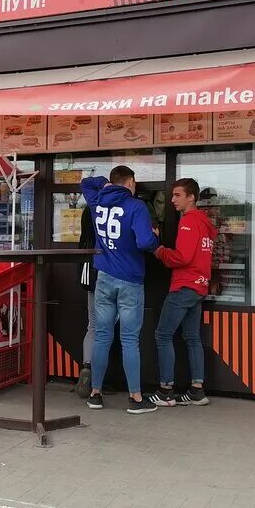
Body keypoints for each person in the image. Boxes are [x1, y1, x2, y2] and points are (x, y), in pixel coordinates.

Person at [81, 166, 159, 414]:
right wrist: (156, 236)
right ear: (131, 182)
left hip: (104, 277)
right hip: (130, 281)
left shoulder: (97, 202)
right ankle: (135, 398)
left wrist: (105, 184)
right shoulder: (136, 207)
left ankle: (95, 394)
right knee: (129, 340)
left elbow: (86, 182)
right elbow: (145, 242)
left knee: (102, 336)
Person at [149, 178, 217, 407]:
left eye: (177, 195)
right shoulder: (204, 222)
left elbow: (182, 257)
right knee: (192, 337)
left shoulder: (188, 221)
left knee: (162, 335)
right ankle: (197, 390)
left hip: (184, 286)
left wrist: (160, 251)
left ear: (191, 198)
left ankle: (165, 391)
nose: (172, 200)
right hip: (199, 286)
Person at [75, 205, 96, 399]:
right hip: (111, 272)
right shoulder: (113, 208)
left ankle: (87, 366)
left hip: (89, 272)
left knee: (93, 326)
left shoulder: (88, 210)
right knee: (113, 330)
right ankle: (101, 381)